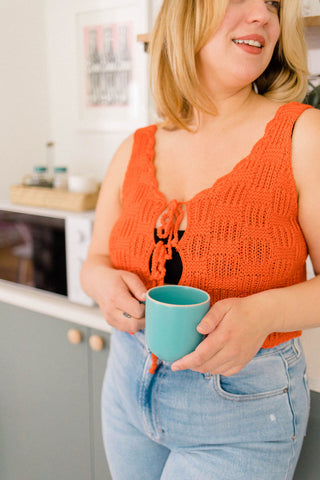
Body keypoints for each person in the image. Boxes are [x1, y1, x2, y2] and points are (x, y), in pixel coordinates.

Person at [80, 1, 320, 478]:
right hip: (128, 387)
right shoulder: (135, 146)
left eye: (273, 4)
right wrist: (103, 285)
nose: (263, 16)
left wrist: (263, 312)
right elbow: (96, 260)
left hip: (241, 410)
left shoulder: (302, 134)